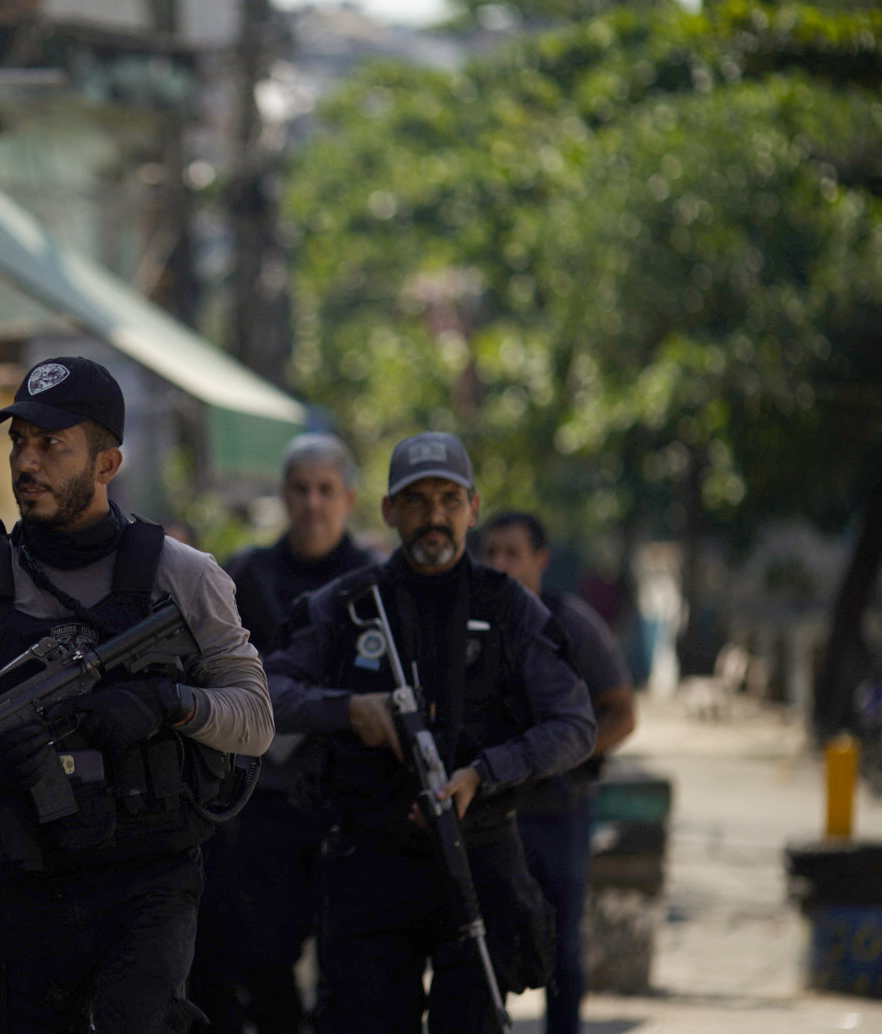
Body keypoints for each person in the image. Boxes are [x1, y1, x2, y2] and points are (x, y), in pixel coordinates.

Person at [0, 356, 274, 1033]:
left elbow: (256, 718)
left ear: (106, 463)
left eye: (51, 445)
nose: (26, 463)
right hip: (23, 885)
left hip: (145, 881)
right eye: (19, 442)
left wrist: (168, 704)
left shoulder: (181, 577)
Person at [262, 431, 595, 1034]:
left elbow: (574, 725)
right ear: (389, 510)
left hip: (478, 857)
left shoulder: (510, 608)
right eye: (416, 501)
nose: (434, 516)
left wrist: (486, 772)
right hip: (369, 861)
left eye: (448, 499)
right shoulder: (347, 605)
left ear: (472, 505)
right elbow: (265, 694)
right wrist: (347, 709)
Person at [190, 432, 375, 1034]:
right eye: (301, 489)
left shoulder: (377, 581)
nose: (314, 502)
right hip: (265, 800)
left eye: (326, 490)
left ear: (348, 497)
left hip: (354, 801)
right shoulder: (247, 575)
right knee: (263, 958)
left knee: (354, 967)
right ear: (284, 495)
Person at [481, 511, 637, 1034]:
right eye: (491, 552)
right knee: (481, 950)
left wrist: (568, 754)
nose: (500, 563)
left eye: (513, 552)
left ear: (540, 560)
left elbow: (622, 712)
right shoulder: (471, 621)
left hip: (557, 813)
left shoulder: (570, 621)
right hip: (485, 809)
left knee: (561, 949)